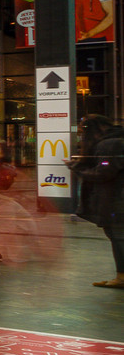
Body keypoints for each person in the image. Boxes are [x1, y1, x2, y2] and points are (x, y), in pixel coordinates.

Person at [71, 115, 124, 288]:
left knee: (118, 238)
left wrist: (77, 168)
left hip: (116, 201)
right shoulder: (117, 139)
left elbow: (104, 173)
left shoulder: (109, 144)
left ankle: (122, 277)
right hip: (117, 199)